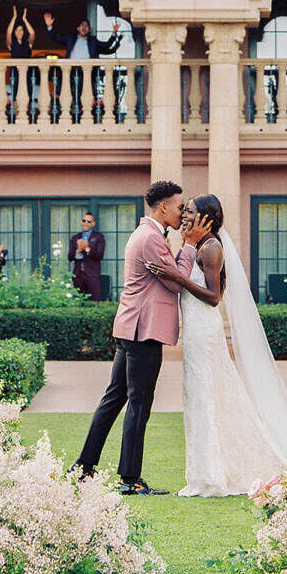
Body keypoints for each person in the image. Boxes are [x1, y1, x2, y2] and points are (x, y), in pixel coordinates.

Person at [149, 193, 287, 496]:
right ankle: (203, 472)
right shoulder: (197, 245)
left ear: (206, 218)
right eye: (184, 211)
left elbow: (213, 298)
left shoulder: (211, 248)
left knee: (206, 397)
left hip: (204, 331)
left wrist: (178, 277)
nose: (185, 216)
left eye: (191, 212)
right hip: (195, 333)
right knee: (200, 398)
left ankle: (212, 476)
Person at [71, 180, 212, 494]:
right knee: (138, 404)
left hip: (134, 328)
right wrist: (189, 245)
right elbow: (177, 283)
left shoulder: (149, 234)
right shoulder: (150, 237)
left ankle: (83, 467)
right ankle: (130, 480)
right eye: (179, 207)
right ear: (163, 206)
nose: (183, 214)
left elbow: (169, 276)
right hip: (143, 331)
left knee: (114, 400)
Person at [42, 11, 123, 123]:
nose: (84, 28)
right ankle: (67, 109)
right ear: (78, 28)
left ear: (89, 30)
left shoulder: (93, 41)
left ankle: (78, 112)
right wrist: (49, 26)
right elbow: (56, 38)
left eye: (86, 26)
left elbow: (106, 46)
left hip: (86, 72)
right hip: (70, 70)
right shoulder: (70, 38)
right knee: (61, 88)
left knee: (81, 93)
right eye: (82, 26)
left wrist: (114, 33)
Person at [4, 6, 36, 122]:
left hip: (26, 75)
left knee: (26, 97)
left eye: (21, 30)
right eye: (17, 30)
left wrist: (25, 19)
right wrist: (14, 17)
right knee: (16, 98)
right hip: (16, 75)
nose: (19, 32)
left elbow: (32, 33)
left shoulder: (28, 44)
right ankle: (17, 119)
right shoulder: (11, 45)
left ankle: (25, 120)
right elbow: (8, 32)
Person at [69, 211, 106, 300]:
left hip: (92, 274)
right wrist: (78, 251)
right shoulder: (76, 237)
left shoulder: (98, 237)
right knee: (78, 300)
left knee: (95, 300)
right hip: (78, 274)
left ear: (93, 224)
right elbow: (70, 257)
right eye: (84, 220)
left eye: (89, 221)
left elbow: (100, 255)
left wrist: (87, 248)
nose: (86, 223)